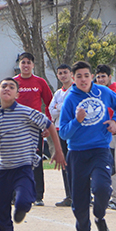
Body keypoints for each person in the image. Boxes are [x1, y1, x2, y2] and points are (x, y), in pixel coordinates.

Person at [0, 78, 66, 231]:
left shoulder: (26, 112)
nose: (7, 89)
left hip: (23, 167)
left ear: (17, 94)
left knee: (22, 203)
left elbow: (48, 124)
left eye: (12, 87)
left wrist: (57, 151)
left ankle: (22, 208)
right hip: (4, 170)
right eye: (3, 86)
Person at [59, 61, 116, 231]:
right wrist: (77, 121)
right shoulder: (70, 100)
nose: (83, 80)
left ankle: (99, 217)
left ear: (92, 77)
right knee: (79, 201)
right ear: (73, 78)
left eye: (86, 75)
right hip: (77, 153)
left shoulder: (103, 92)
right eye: (78, 76)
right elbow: (64, 133)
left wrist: (114, 121)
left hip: (100, 149)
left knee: (103, 188)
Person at [13, 52, 54, 206]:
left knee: (35, 161)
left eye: (28, 62)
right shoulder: (13, 82)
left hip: (34, 128)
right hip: (17, 128)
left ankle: (37, 195)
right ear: (19, 65)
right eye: (23, 62)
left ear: (33, 65)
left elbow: (50, 103)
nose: (25, 65)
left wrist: (48, 125)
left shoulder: (40, 82)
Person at [94, 64, 116, 211]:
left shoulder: (114, 93)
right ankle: (103, 197)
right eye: (99, 76)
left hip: (113, 136)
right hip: (99, 137)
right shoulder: (97, 92)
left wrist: (115, 123)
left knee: (113, 168)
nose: (101, 79)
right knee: (99, 167)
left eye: (103, 76)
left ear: (109, 77)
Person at [48, 63, 73, 207]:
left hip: (72, 131)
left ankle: (82, 195)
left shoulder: (75, 90)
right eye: (60, 73)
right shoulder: (58, 93)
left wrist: (60, 107)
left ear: (70, 74)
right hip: (59, 131)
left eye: (65, 72)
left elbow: (71, 108)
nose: (63, 75)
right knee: (64, 163)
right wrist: (60, 107)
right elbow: (52, 110)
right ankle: (69, 195)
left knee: (75, 164)